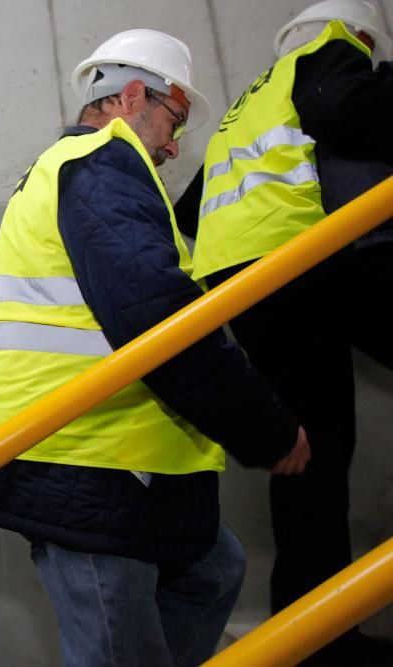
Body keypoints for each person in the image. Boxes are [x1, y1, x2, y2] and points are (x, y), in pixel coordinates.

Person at [0, 28, 310, 667]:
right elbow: (158, 318)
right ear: (134, 96)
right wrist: (269, 430)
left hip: (100, 454)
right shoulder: (104, 164)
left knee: (215, 570)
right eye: (173, 119)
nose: (174, 145)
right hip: (87, 459)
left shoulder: (71, 170)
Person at [178, 2, 393, 662]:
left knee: (312, 453)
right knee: (318, 451)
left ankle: (318, 637)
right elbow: (344, 111)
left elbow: (190, 208)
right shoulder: (330, 53)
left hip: (247, 286)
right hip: (305, 260)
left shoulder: (252, 100)